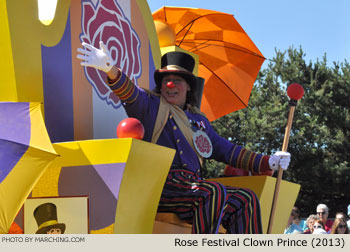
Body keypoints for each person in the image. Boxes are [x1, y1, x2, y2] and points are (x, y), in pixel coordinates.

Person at [76, 42, 291, 234]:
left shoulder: (199, 121)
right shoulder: (150, 105)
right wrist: (110, 69)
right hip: (161, 186)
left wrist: (267, 160)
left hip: (192, 189)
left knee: (246, 199)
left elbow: (224, 149)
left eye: (176, 80)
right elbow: (129, 92)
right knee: (212, 191)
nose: (170, 85)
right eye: (166, 80)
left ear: (188, 86)